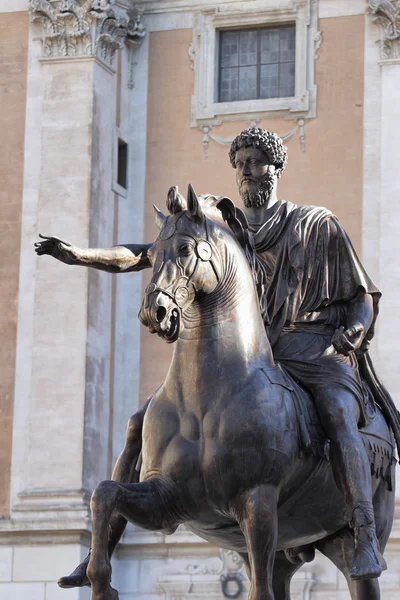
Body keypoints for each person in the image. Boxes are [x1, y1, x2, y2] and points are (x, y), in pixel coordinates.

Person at [35, 127, 386, 584]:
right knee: (143, 420)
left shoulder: (315, 224)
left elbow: (362, 296)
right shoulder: (220, 232)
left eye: (256, 162)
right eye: (239, 162)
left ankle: (362, 531)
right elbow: (149, 255)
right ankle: (103, 551)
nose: (246, 170)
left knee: (339, 411)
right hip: (253, 355)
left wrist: (355, 330)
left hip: (311, 350)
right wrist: (82, 255)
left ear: (275, 169)